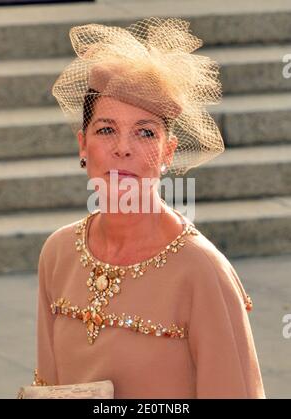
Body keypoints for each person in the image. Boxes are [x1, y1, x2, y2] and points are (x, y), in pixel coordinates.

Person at [34, 17, 265, 399]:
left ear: (167, 152)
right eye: (106, 129)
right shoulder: (58, 254)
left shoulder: (203, 271)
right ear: (82, 144)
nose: (123, 148)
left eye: (145, 132)